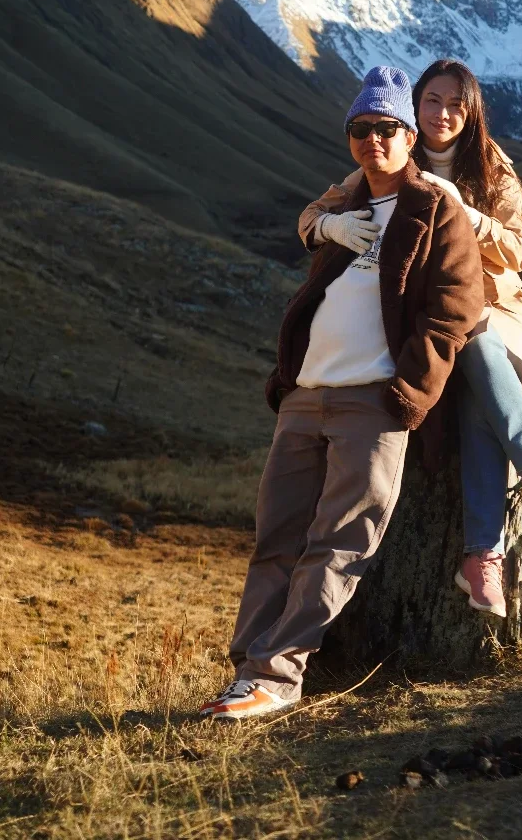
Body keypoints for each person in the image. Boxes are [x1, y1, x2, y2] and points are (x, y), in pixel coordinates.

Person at [200, 66, 484, 721]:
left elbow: (454, 307)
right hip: (304, 395)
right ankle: (245, 671)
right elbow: (308, 227)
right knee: (275, 540)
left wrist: (410, 390)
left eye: (387, 129)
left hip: (371, 402)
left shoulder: (433, 205)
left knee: (337, 544)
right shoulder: (344, 201)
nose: (373, 140)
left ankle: (278, 676)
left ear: (409, 137)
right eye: (361, 129)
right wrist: (322, 226)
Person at [299, 59, 522, 620]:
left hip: (495, 306)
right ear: (414, 106)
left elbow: (521, 251)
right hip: (432, 310)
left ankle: (490, 546)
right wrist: (331, 227)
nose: (443, 113)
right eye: (432, 101)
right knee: (468, 355)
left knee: (476, 352)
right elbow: (311, 216)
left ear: (470, 111)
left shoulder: (491, 165)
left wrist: (469, 217)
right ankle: (517, 508)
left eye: (456, 103)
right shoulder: (395, 155)